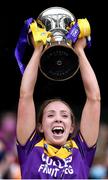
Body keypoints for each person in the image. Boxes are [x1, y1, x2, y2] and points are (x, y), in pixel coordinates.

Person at [16, 35, 101, 179]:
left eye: (64, 115)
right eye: (50, 115)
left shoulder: (81, 151)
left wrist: (79, 50)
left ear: (72, 127)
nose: (58, 119)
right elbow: (25, 96)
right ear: (40, 126)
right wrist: (38, 50)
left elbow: (94, 98)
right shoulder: (29, 148)